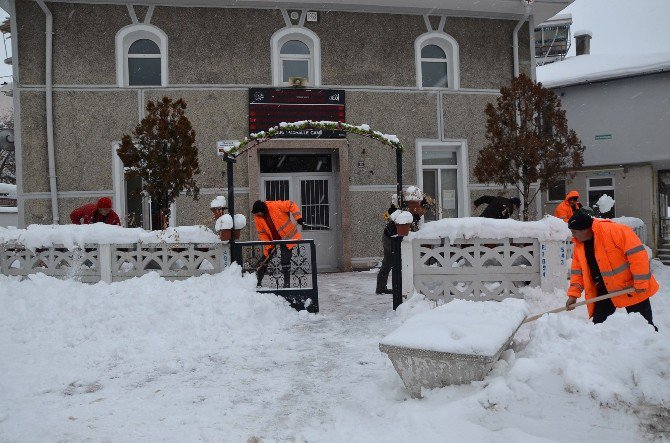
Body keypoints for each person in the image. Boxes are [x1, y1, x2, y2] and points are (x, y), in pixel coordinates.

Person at [565, 211, 659, 330]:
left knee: (644, 326)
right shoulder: (579, 244)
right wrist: (573, 295)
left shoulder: (614, 231)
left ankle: (651, 344)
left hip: (631, 286)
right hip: (604, 289)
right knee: (598, 327)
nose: (573, 236)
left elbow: (638, 256)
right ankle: (602, 347)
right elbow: (577, 271)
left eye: (574, 232)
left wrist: (640, 283)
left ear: (584, 229)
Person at [376, 198, 428, 295]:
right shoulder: (410, 214)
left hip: (389, 236)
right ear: (419, 207)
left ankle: (382, 288)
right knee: (398, 263)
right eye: (424, 209)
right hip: (390, 238)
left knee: (388, 263)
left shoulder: (413, 213)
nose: (424, 212)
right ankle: (399, 288)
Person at [252, 200, 303, 288]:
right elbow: (262, 233)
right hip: (272, 241)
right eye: (256, 214)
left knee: (285, 261)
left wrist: (298, 217)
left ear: (263, 209)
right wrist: (268, 246)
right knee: (264, 260)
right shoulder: (257, 217)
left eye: (258, 213)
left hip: (287, 239)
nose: (257, 215)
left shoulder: (275, 206)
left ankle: (286, 285)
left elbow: (291, 204)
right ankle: (257, 283)